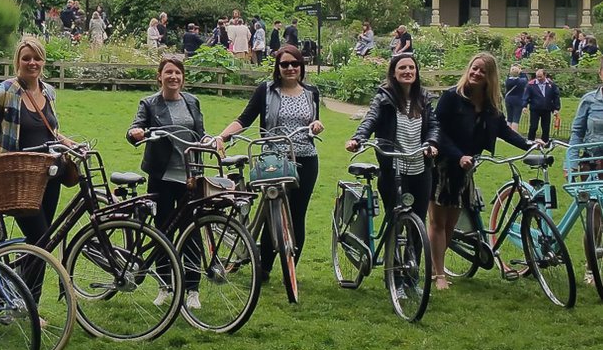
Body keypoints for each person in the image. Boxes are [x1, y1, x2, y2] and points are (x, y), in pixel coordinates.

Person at [211, 45, 324, 283]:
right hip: (274, 159)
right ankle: (263, 268)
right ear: (278, 67)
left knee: (297, 214)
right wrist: (222, 136)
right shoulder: (266, 90)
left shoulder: (311, 92)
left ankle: (290, 268)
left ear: (301, 66)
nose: (290, 68)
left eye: (295, 64)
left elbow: (314, 121)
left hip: (306, 158)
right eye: (285, 64)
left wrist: (316, 125)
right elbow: (245, 118)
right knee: (272, 213)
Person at [0, 36, 77, 301]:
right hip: (18, 178)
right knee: (41, 239)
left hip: (50, 175)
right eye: (26, 58)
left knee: (41, 242)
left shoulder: (48, 92)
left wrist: (70, 143)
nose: (32, 63)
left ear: (43, 62)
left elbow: (51, 132)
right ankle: (5, 288)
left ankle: (21, 298)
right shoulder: (5, 91)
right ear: (18, 62)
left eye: (37, 58)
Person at [428, 52, 532, 290]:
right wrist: (458, 155)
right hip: (442, 164)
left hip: (466, 169)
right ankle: (439, 275)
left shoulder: (489, 105)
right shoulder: (451, 97)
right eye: (474, 68)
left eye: (482, 71)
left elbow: (503, 130)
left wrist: (528, 144)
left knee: (451, 224)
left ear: (490, 77)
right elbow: (437, 131)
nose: (476, 73)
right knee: (438, 221)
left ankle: (436, 267)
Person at [127, 56, 207, 307]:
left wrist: (208, 141)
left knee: (191, 232)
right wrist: (135, 133)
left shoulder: (192, 102)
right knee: (163, 231)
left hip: (190, 176)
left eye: (178, 73)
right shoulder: (150, 104)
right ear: (159, 76)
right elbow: (135, 128)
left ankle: (192, 290)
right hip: (162, 177)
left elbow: (200, 133)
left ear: (183, 78)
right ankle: (165, 286)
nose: (174, 77)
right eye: (168, 72)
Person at [345, 54, 439, 230]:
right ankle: (391, 256)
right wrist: (358, 139)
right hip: (394, 170)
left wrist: (432, 143)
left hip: (421, 169)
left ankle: (413, 258)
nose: (407, 71)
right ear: (393, 73)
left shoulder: (423, 98)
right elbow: (370, 119)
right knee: (395, 222)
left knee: (419, 225)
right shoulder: (384, 98)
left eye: (411, 67)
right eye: (402, 68)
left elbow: (434, 125)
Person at [525, 68, 561, 142]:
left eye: (540, 76)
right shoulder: (531, 84)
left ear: (545, 75)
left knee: (546, 127)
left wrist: (556, 109)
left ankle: (545, 142)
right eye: (537, 76)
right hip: (535, 109)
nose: (539, 78)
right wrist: (524, 106)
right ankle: (530, 141)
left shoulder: (551, 84)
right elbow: (526, 96)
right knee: (533, 126)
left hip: (547, 109)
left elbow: (556, 96)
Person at [503, 63, 529, 132]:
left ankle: (507, 133)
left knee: (509, 118)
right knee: (516, 118)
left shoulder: (508, 81)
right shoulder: (521, 81)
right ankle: (514, 133)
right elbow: (526, 79)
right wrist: (521, 72)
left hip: (508, 100)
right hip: (518, 100)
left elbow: (509, 75)